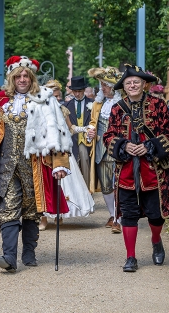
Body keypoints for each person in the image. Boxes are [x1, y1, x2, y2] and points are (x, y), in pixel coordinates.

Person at [0, 55, 72, 273]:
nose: (23, 79)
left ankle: (29, 252)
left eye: (26, 75)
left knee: (32, 209)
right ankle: (9, 256)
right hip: (6, 167)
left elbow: (58, 132)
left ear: (32, 78)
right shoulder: (0, 102)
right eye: (18, 76)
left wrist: (60, 163)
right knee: (8, 208)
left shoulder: (44, 100)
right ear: (12, 78)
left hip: (35, 165)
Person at [103, 64, 169, 272]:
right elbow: (108, 136)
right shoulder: (117, 109)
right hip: (127, 170)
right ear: (124, 87)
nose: (133, 85)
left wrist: (149, 146)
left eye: (136, 82)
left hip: (153, 170)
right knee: (128, 214)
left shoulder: (159, 105)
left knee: (156, 215)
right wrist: (124, 145)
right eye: (129, 83)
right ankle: (130, 257)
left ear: (145, 84)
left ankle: (156, 240)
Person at [39, 79, 95, 231]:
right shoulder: (38, 109)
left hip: (62, 150)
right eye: (55, 96)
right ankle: (43, 218)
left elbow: (71, 129)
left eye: (59, 96)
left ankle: (60, 214)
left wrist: (85, 129)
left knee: (63, 184)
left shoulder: (63, 110)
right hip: (45, 151)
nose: (58, 99)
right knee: (44, 185)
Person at [87, 66, 123, 234]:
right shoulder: (97, 105)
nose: (102, 88)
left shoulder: (123, 105)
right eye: (101, 85)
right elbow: (92, 125)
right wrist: (90, 132)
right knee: (106, 185)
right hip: (100, 150)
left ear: (113, 87)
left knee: (119, 185)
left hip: (117, 149)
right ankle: (112, 214)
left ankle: (118, 218)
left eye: (105, 85)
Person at [63, 76, 93, 191]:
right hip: (72, 142)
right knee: (73, 170)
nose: (77, 94)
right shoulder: (65, 106)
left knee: (86, 167)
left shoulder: (93, 104)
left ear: (84, 90)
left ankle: (87, 194)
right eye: (75, 91)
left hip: (87, 142)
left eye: (79, 91)